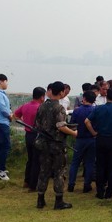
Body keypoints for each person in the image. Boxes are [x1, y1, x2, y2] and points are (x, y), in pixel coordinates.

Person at [35, 81, 77, 210]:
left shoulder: (41, 106)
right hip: (56, 145)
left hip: (43, 144)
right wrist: (74, 133)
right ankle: (59, 201)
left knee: (43, 171)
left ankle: (40, 200)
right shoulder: (59, 108)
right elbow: (61, 126)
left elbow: (37, 123)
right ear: (61, 92)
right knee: (59, 172)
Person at [85, 88, 112, 199]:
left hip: (100, 139)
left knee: (100, 166)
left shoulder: (99, 108)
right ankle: (110, 191)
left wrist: (94, 133)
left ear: (106, 96)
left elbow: (87, 121)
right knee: (111, 167)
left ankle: (100, 191)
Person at [13, 87, 46, 191]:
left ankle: (26, 181)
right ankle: (33, 185)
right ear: (42, 97)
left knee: (30, 159)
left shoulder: (25, 106)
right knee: (37, 160)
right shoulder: (41, 108)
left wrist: (24, 122)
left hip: (28, 134)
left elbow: (15, 115)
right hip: (37, 135)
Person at [68, 90, 96, 193]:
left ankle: (71, 185)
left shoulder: (77, 110)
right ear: (94, 100)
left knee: (75, 163)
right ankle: (86, 185)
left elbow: (72, 125)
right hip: (92, 139)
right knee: (89, 163)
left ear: (84, 99)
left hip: (79, 139)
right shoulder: (95, 110)